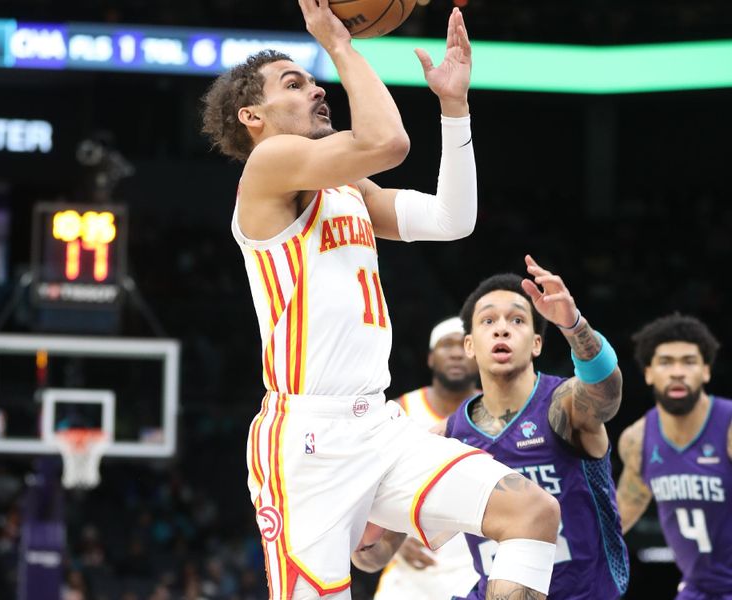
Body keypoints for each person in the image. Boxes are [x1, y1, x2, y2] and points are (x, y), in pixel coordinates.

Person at [201, 1, 560, 598]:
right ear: (253, 115)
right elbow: (388, 141)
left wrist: (453, 107)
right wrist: (340, 44)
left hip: (378, 426)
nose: (318, 90)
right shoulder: (267, 166)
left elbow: (453, 219)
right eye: (296, 83)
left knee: (531, 514)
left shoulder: (345, 187)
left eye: (316, 80)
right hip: (306, 442)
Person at [354, 256, 630, 600]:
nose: (502, 328)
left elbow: (607, 392)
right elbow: (375, 552)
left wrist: (574, 326)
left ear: (536, 343)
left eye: (517, 319)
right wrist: (354, 525)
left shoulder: (564, 406)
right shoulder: (445, 438)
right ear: (469, 345)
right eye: (488, 321)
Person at [616, 313, 732, 600]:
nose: (677, 372)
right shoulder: (637, 439)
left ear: (706, 371)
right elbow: (619, 518)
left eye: (689, 362)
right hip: (697, 590)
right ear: (648, 373)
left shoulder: (728, 428)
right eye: (666, 362)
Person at [367, 317, 481, 599]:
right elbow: (366, 490)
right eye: (446, 345)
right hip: (411, 577)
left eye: (464, 345)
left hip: (477, 569)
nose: (455, 353)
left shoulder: (501, 411)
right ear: (430, 358)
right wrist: (387, 538)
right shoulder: (398, 411)